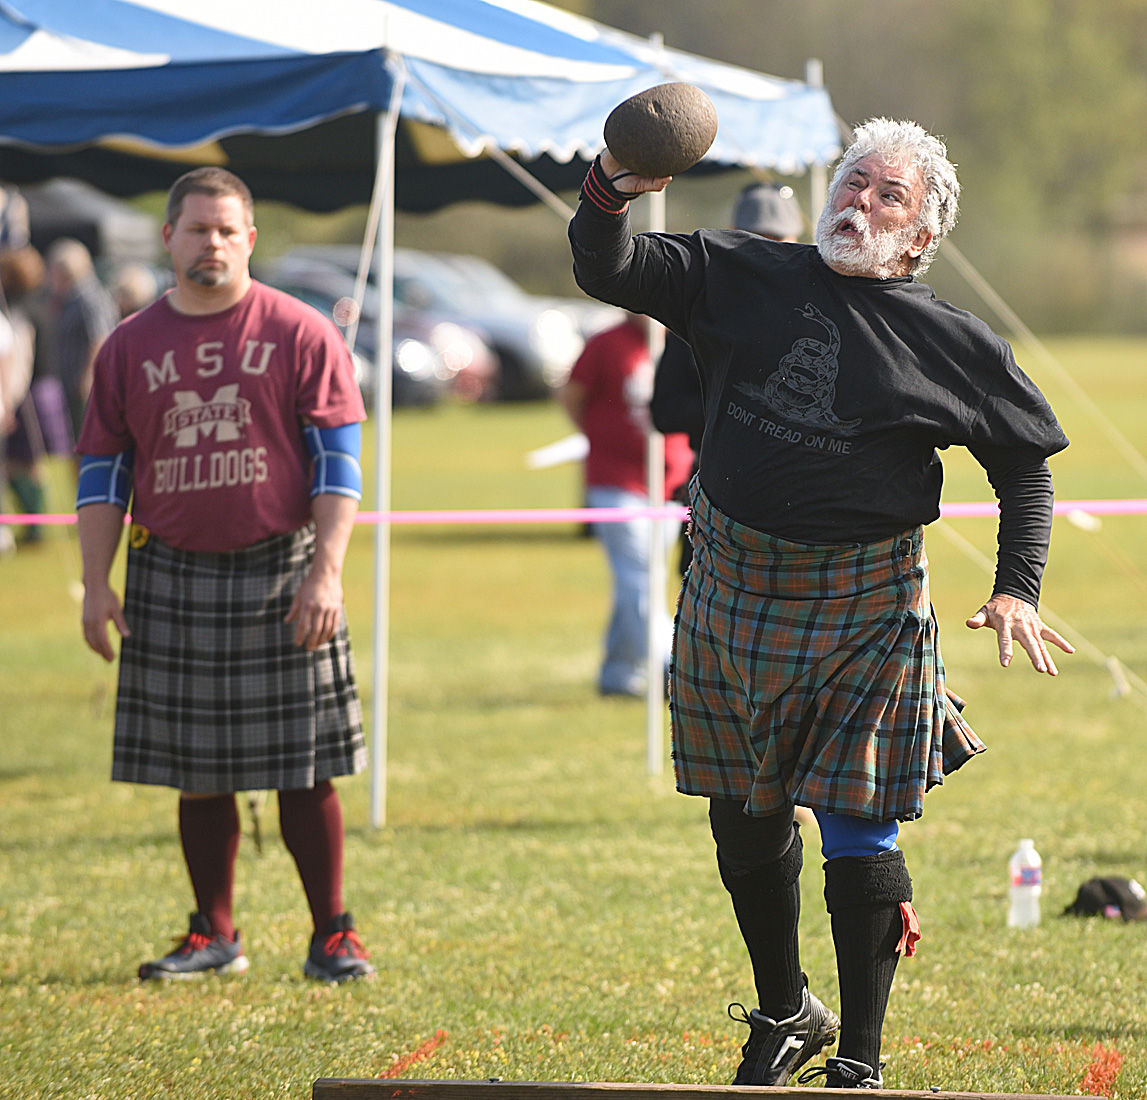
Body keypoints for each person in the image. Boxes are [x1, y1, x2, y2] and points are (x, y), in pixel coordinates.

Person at [570, 118, 1073, 1088]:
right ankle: (784, 1009)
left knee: (856, 821)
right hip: (730, 585)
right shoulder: (739, 270)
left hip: (862, 604)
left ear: (920, 235)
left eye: (889, 195)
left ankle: (860, 1060)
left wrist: (1016, 585)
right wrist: (610, 187)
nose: (860, 203)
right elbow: (609, 267)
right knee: (740, 813)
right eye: (852, 182)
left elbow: (1024, 467)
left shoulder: (950, 342)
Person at [76, 167, 374, 983]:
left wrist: (326, 573)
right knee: (196, 769)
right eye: (196, 228)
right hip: (170, 569)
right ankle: (213, 933)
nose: (211, 242)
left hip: (283, 568)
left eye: (225, 230)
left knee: (304, 764)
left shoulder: (300, 331)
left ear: (249, 239)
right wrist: (96, 583)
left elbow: (337, 464)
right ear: (167, 237)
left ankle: (333, 934)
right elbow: (103, 472)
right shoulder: (128, 345)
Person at [651, 182, 804, 575]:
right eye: (757, 238)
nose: (768, 251)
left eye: (777, 240)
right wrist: (741, 408)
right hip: (715, 489)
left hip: (798, 502)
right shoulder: (702, 309)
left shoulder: (814, 317)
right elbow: (665, 410)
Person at [559, 312, 693, 697]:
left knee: (641, 579)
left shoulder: (683, 338)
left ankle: (618, 675)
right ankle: (671, 666)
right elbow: (572, 396)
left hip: (669, 483)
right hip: (615, 481)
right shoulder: (606, 343)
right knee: (638, 578)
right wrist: (600, 438)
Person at [44, 237, 117, 448]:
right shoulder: (68, 298)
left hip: (84, 384)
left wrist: (88, 379)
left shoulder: (90, 298)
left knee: (84, 439)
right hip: (69, 381)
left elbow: (99, 338)